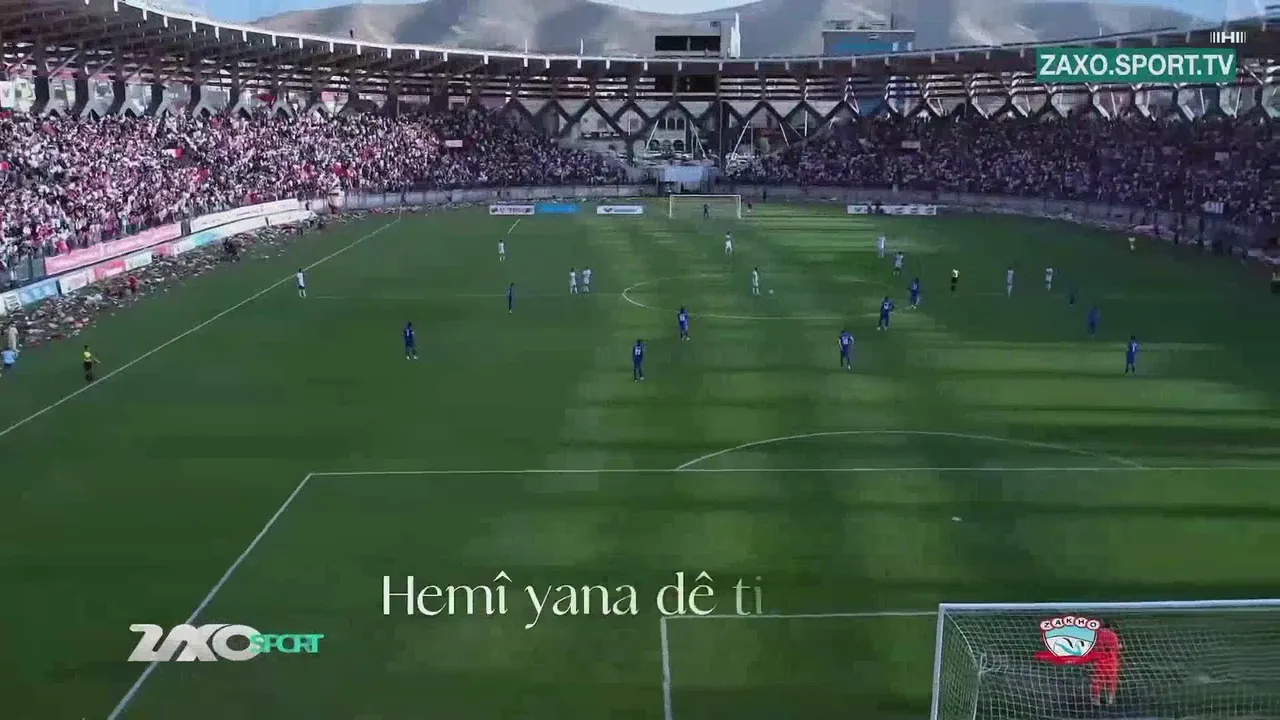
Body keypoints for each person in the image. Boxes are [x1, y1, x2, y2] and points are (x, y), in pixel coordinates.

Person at [1089, 621, 1122, 706]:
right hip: (1112, 662)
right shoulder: (1113, 635)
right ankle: (1110, 699)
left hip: (1099, 662)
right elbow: (1118, 648)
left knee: (1097, 681)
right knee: (1112, 681)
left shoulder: (1097, 634)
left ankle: (1096, 700)